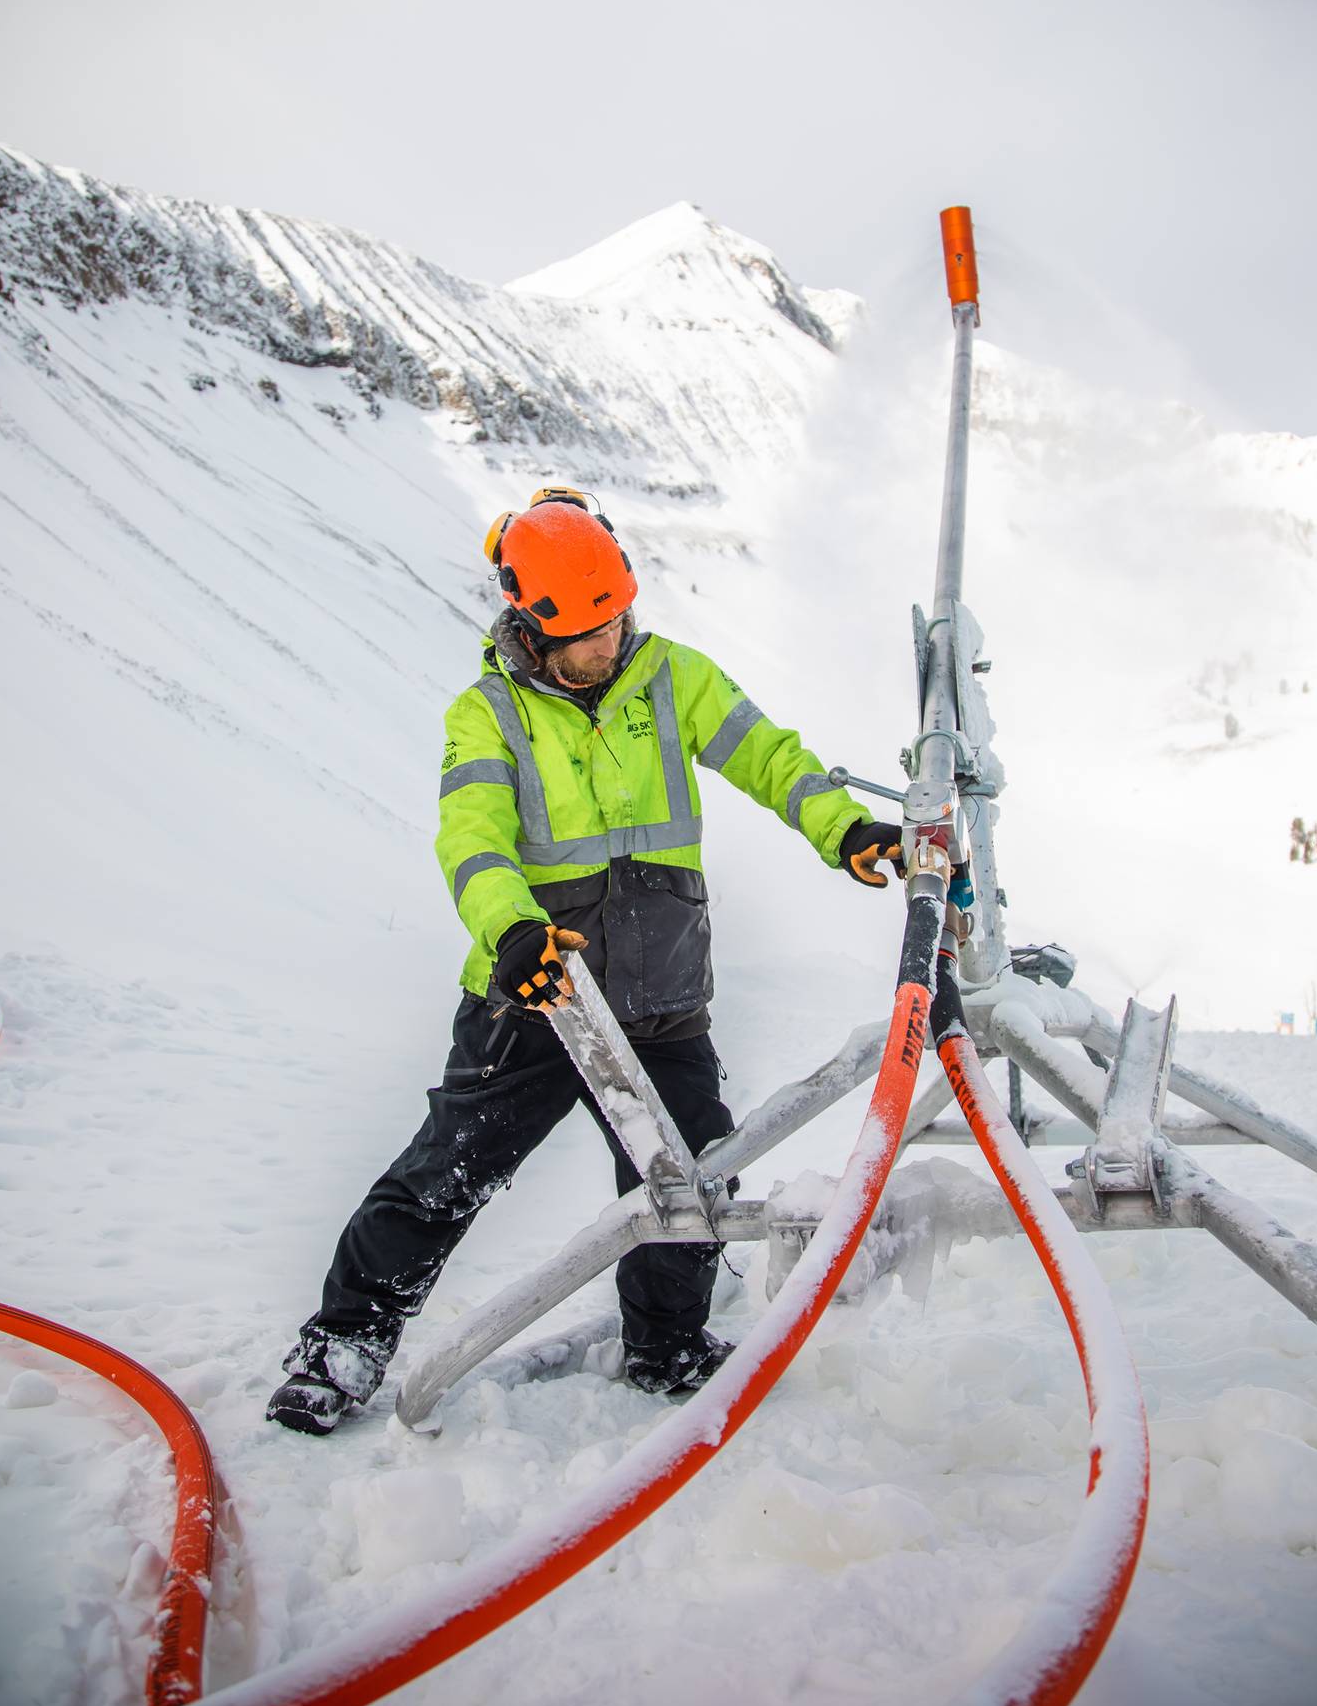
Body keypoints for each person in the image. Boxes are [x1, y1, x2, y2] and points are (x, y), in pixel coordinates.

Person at [267, 489, 903, 1434]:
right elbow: (472, 841)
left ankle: (666, 1342)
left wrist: (841, 824)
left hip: (663, 987)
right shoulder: (486, 716)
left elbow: (771, 756)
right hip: (540, 988)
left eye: (617, 622)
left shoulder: (670, 676)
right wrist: (511, 931)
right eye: (589, 635)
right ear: (532, 627)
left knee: (688, 1175)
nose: (611, 644)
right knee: (448, 1169)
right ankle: (344, 1346)